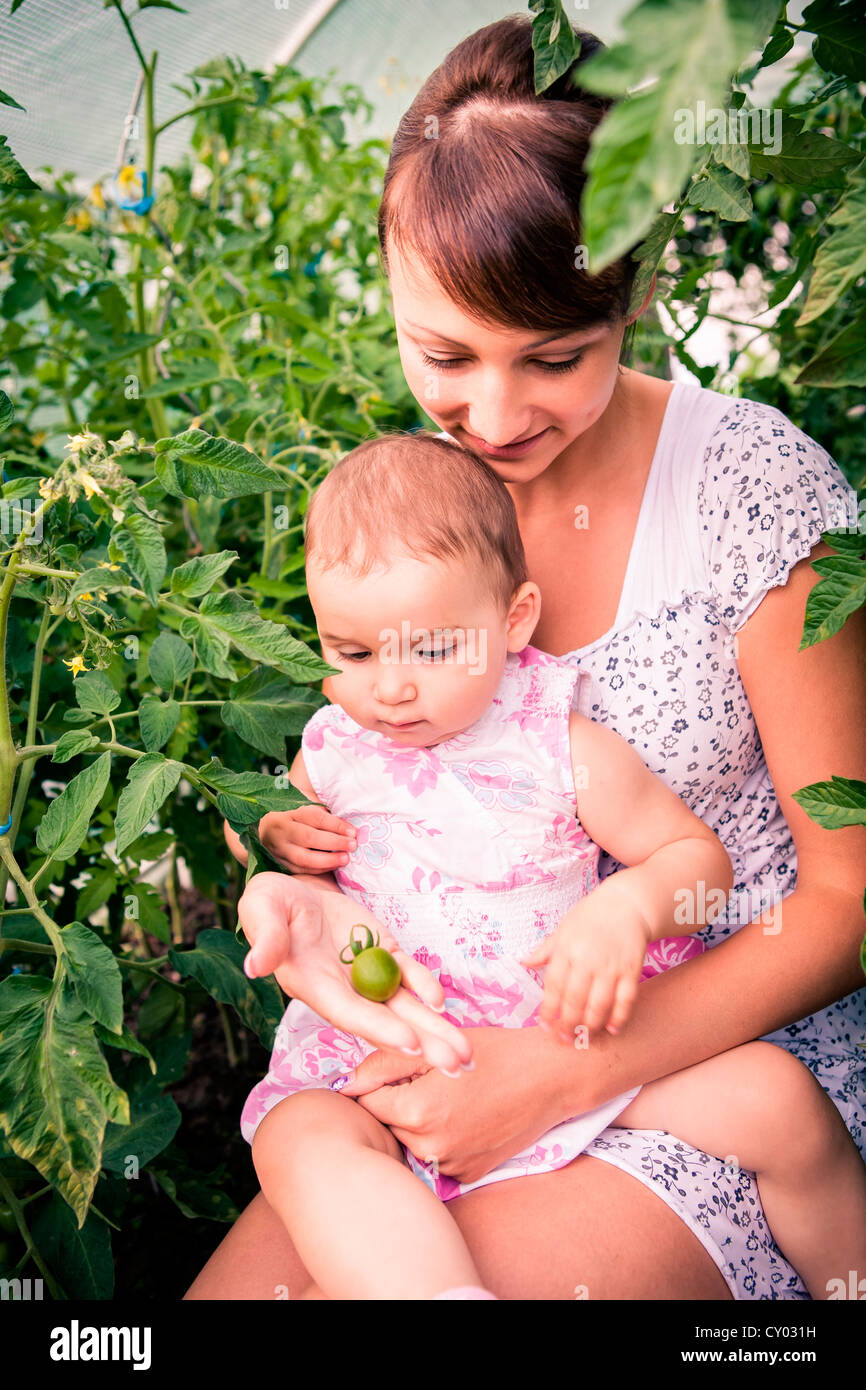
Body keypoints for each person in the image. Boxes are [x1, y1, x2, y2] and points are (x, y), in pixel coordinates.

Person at [185, 16, 866, 1301]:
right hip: (450, 1046)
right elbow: (392, 757)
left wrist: (563, 1074)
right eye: (441, 356)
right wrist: (315, 844)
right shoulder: (416, 509)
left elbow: (844, 898)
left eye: (555, 357)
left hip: (715, 1050)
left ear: (637, 286)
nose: (493, 418)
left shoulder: (750, 490)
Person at [223, 432, 866, 1303]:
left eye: (432, 650)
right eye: (355, 653)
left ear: (514, 619)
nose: (392, 689)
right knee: (299, 1141)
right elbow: (272, 831)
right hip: (393, 1060)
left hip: (569, 1042)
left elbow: (696, 863)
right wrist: (274, 844)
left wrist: (630, 910)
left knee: (776, 1099)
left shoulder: (558, 745)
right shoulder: (337, 748)